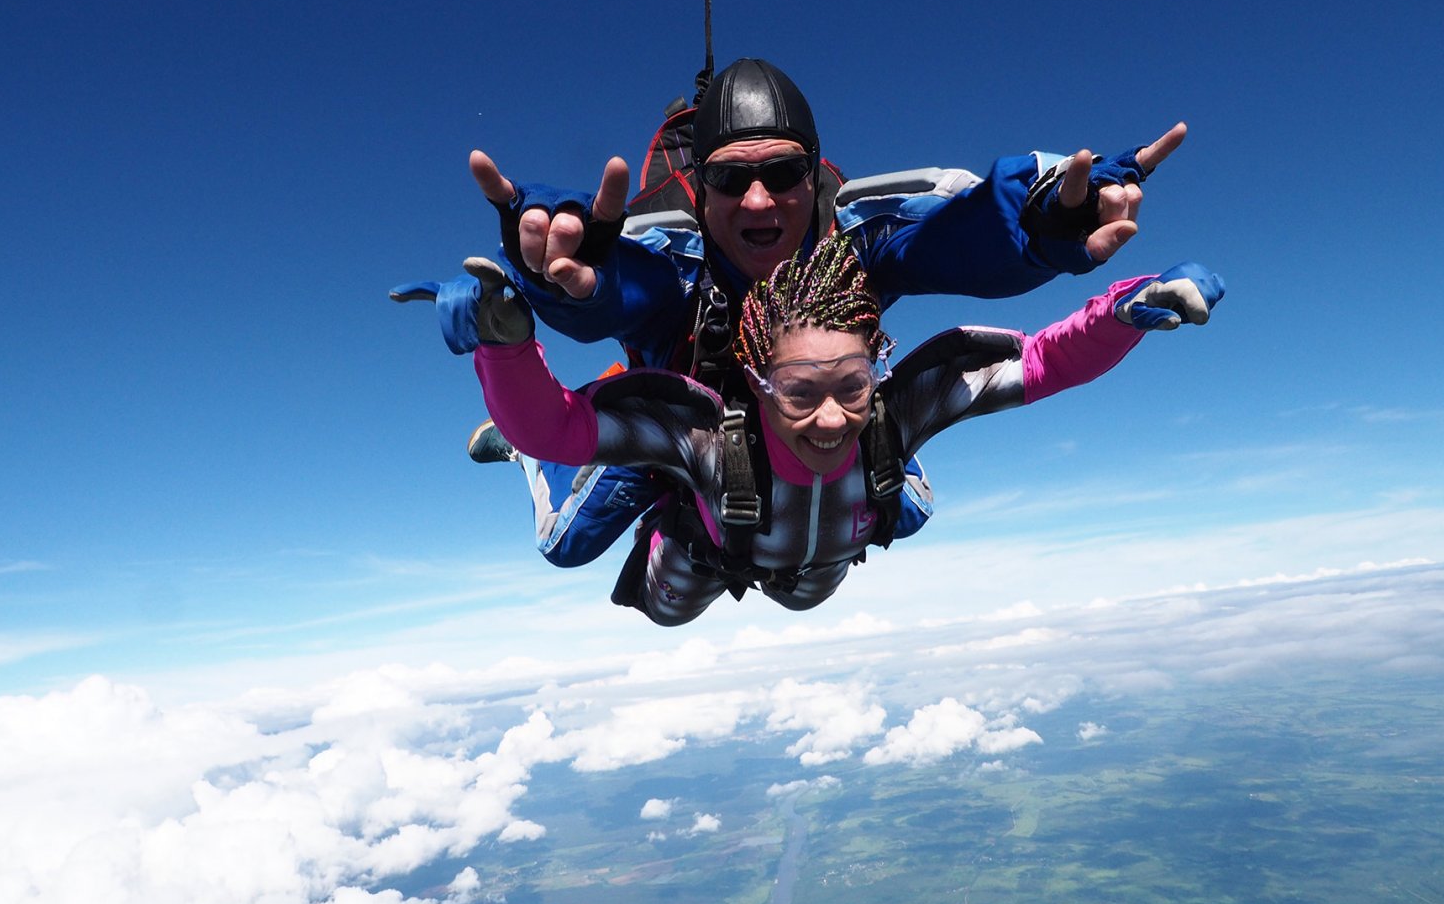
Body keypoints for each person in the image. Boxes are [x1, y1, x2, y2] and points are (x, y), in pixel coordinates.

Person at [398, 58, 1185, 567]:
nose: (760, 200)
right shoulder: (677, 279)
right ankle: (529, 454)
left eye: (783, 171)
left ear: (816, 179)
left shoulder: (859, 256)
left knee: (898, 510)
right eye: (731, 181)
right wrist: (555, 284)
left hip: (823, 420)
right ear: (699, 196)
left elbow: (950, 243)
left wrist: (1039, 223)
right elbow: (623, 291)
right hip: (681, 434)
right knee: (569, 541)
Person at [467, 234, 1224, 625]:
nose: (831, 416)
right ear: (758, 382)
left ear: (876, 370)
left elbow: (1042, 362)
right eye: (800, 392)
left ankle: (885, 476)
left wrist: (1127, 309)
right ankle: (522, 466)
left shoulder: (895, 410)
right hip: (712, 526)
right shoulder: (701, 435)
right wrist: (502, 348)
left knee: (879, 514)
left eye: (853, 386)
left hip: (817, 539)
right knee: (583, 554)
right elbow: (555, 426)